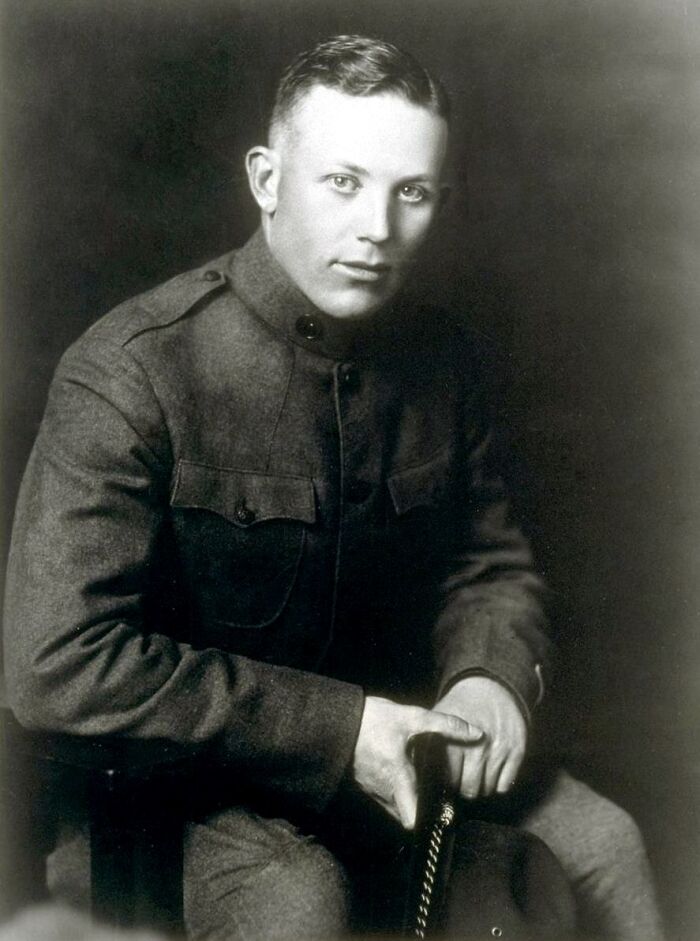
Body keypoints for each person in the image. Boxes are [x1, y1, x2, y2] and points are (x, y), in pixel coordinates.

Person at [3, 34, 664, 940]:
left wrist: (489, 676)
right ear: (268, 180)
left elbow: (488, 565)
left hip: (401, 754)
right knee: (297, 903)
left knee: (603, 846)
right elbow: (58, 665)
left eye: (412, 192)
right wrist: (340, 730)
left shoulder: (442, 359)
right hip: (174, 794)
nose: (379, 228)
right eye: (344, 182)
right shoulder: (133, 369)